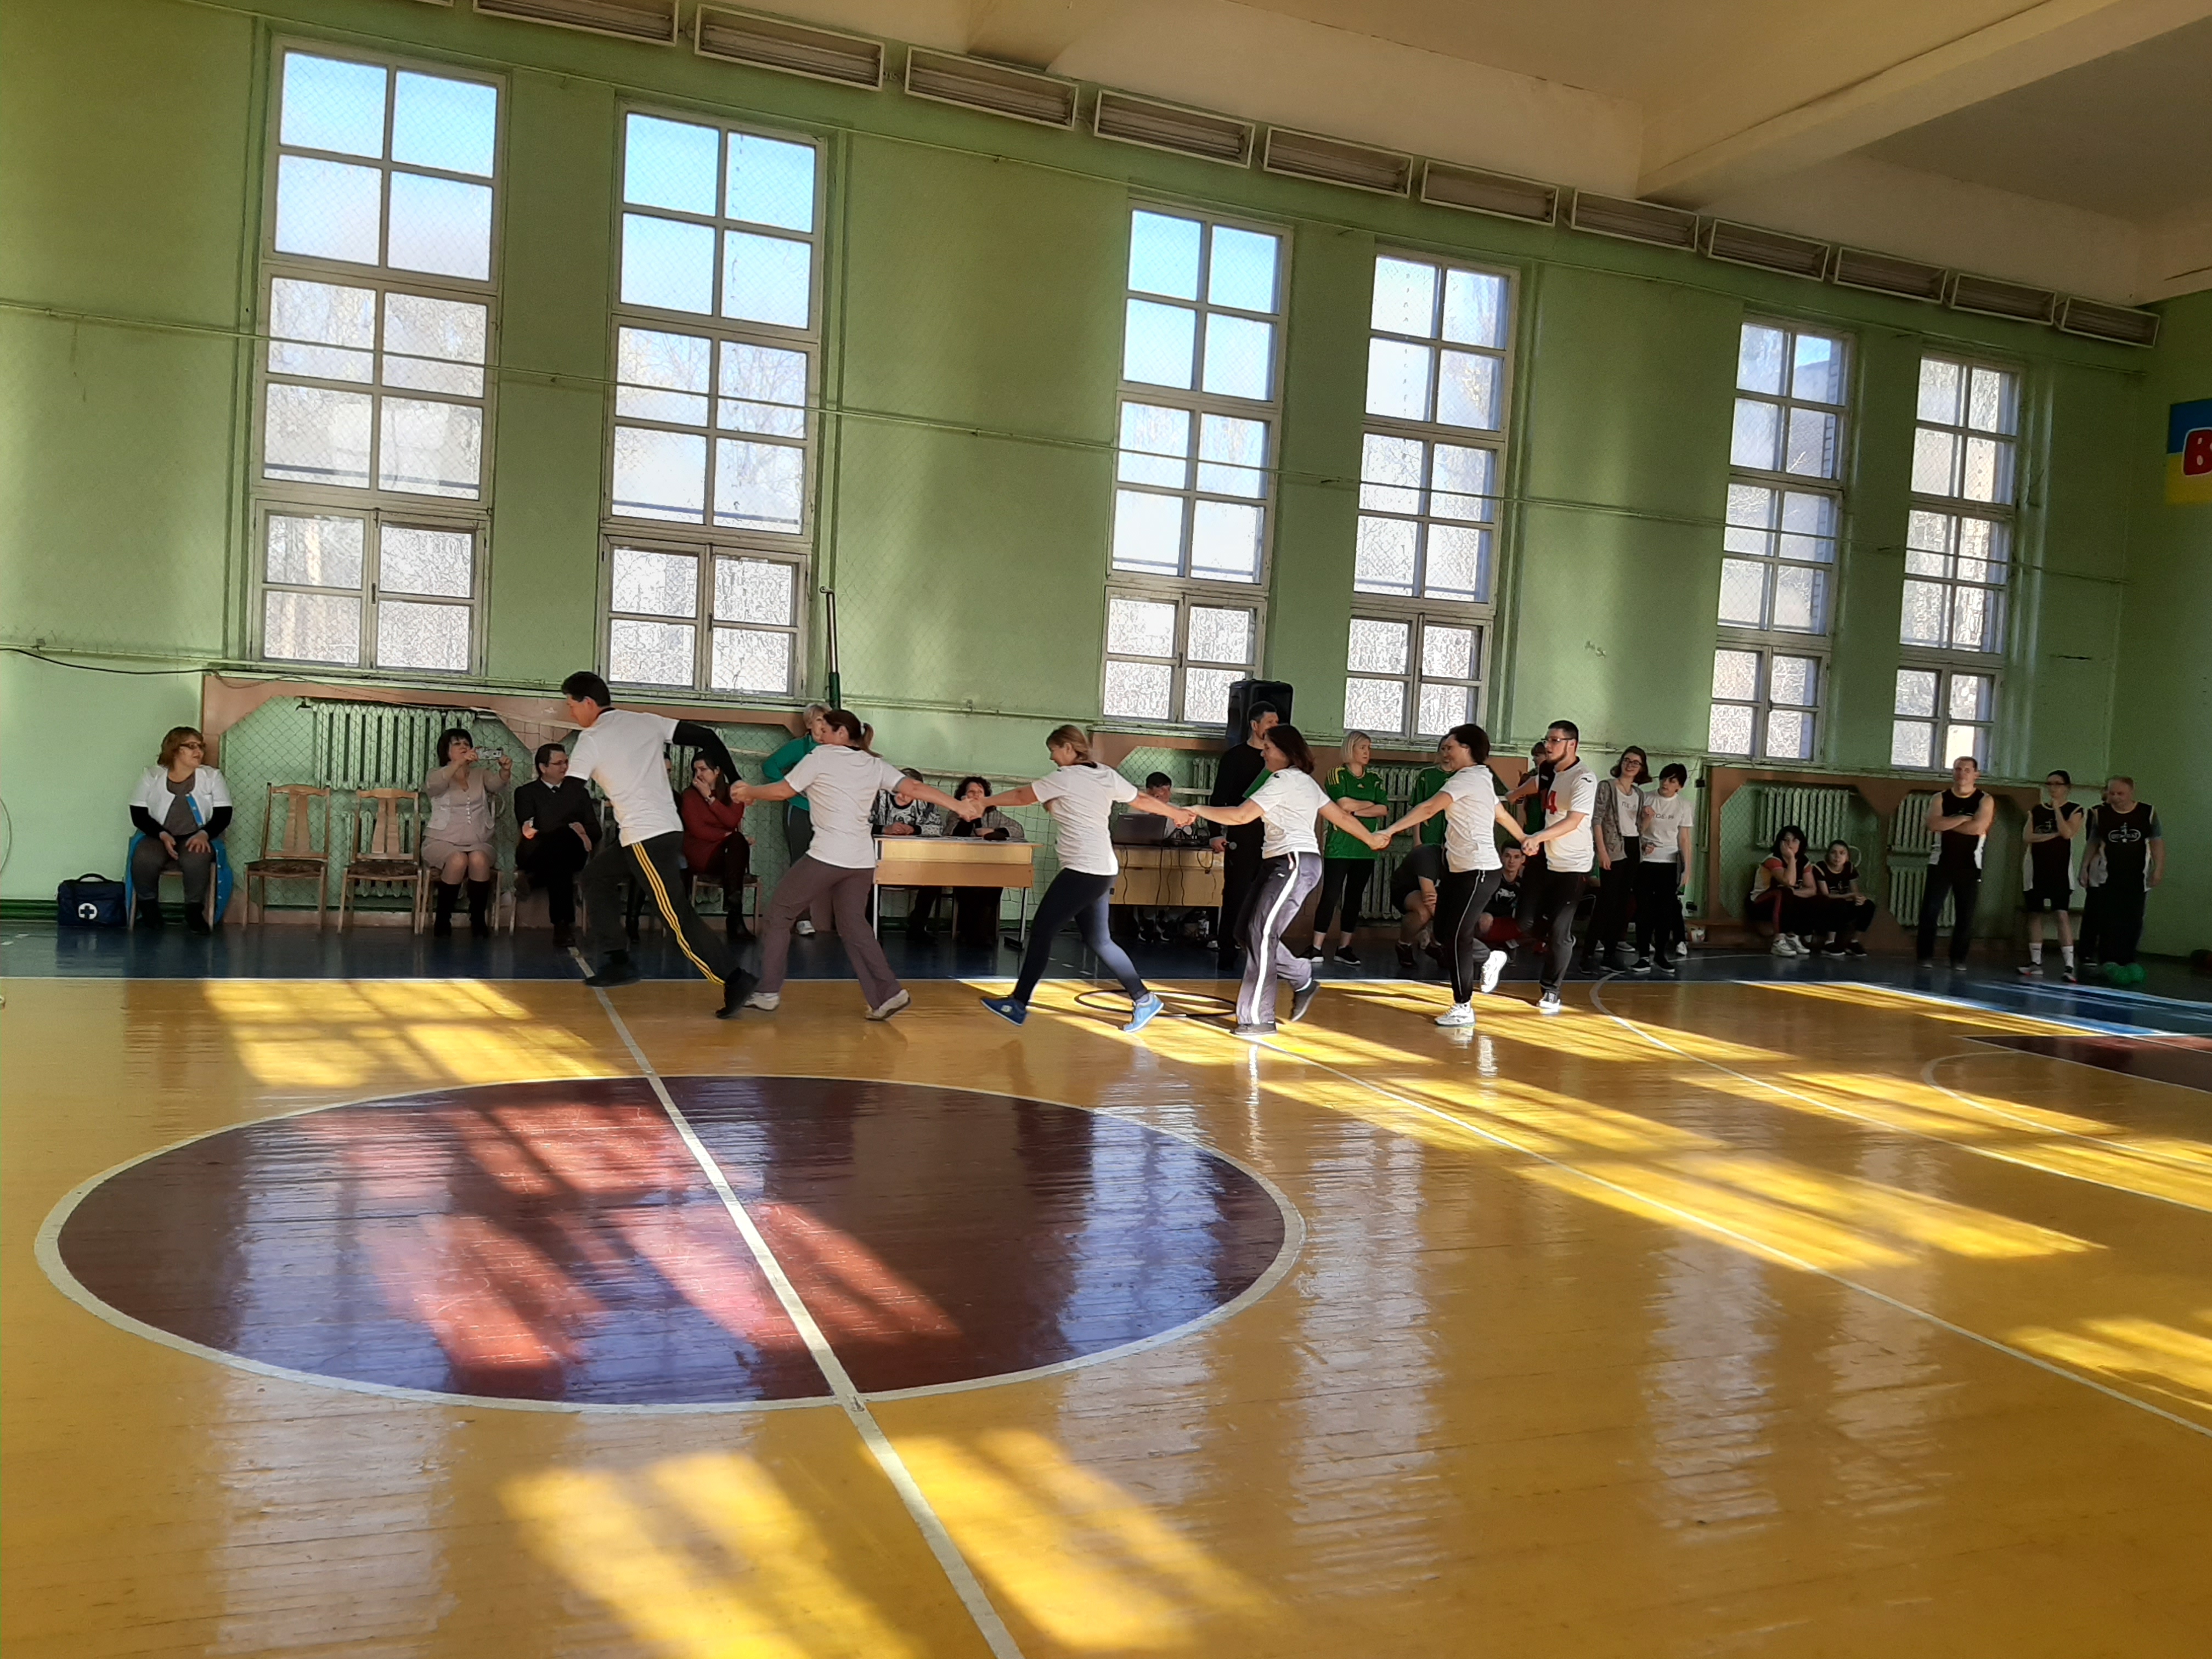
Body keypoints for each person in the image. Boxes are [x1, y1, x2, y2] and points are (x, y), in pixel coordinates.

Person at [731, 710, 970, 1020]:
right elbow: (912, 788)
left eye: (826, 729)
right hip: (861, 861)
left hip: (827, 855)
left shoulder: (821, 757)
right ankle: (888, 994)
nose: (820, 734)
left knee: (779, 914)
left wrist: (749, 791)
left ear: (842, 733)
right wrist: (958, 805)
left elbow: (782, 791)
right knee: (853, 925)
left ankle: (767, 992)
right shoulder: (873, 764)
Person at [560, 672, 757, 1018]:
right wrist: (736, 776)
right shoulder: (645, 721)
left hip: (645, 838)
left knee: (675, 915)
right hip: (659, 832)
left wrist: (542, 823)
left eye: (572, 705)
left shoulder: (591, 739)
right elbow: (707, 736)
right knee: (595, 877)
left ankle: (734, 978)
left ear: (589, 703)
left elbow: (570, 793)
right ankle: (618, 961)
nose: (571, 712)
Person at [978, 728, 1186, 1032]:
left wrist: (984, 802)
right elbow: (1142, 799)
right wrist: (1175, 812)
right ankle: (1144, 999)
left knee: (1042, 931)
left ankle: (1018, 1003)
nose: (1051, 757)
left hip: (1083, 870)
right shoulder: (1104, 774)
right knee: (1099, 940)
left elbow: (1023, 796)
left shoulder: (1066, 777)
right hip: (1102, 868)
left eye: (1053, 750)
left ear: (1068, 748)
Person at [1187, 724, 1386, 1037]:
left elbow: (1242, 816)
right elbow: (1341, 817)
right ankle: (1301, 977)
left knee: (1261, 934)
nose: (1263, 753)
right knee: (1245, 931)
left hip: (1295, 862)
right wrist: (1371, 839)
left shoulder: (1286, 780)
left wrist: (1197, 809)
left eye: (1268, 748)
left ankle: (1259, 1018)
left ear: (1285, 752)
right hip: (1280, 862)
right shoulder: (1301, 782)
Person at [1373, 724, 1527, 1028]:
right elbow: (1500, 814)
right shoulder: (1482, 777)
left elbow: (1430, 808)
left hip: (1479, 871)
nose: (1446, 753)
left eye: (1451, 747)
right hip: (1458, 870)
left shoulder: (1468, 778)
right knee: (1444, 932)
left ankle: (1463, 1006)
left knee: (1457, 936)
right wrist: (1524, 838)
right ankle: (1491, 958)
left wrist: (1390, 830)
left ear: (1467, 749)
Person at [1515, 721, 1598, 1015]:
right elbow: (1537, 784)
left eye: (1554, 741)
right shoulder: (1549, 769)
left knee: (1560, 933)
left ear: (1572, 744)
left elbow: (1574, 821)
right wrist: (1513, 795)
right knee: (1524, 921)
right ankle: (1554, 937)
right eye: (1547, 739)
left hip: (1572, 865)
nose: (1548, 746)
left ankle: (1551, 990)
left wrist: (1537, 837)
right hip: (1545, 859)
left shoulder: (1584, 778)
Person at [127, 726, 232, 933]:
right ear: (175, 750)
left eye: (201, 746)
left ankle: (194, 911)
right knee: (145, 857)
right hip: (158, 835)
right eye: (192, 746)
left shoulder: (212, 777)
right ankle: (148, 908)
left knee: (197, 857)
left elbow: (224, 814)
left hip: (196, 835)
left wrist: (204, 834)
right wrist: (162, 835)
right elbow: (138, 814)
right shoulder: (152, 775)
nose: (199, 751)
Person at [1310, 731, 1392, 963]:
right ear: (1351, 749)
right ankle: (1316, 947)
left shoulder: (1375, 778)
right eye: (1363, 747)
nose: (1367, 752)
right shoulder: (1337, 774)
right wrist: (1367, 805)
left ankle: (1344, 948)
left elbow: (1383, 809)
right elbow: (1342, 804)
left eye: (1369, 748)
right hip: (1340, 847)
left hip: (1366, 847)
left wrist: (1355, 811)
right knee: (1331, 895)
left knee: (1354, 897)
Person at [1209, 701, 1279, 972]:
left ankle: (1260, 952)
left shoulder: (1280, 760)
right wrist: (1215, 834)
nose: (1274, 727)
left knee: (1267, 897)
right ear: (1255, 725)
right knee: (1236, 894)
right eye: (1270, 722)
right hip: (1242, 834)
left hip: (1271, 837)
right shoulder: (1235, 757)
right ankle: (1227, 950)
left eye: (1277, 723)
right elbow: (1219, 798)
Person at [421, 727, 510, 938]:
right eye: (457, 744)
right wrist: (458, 764)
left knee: (479, 859)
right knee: (458, 859)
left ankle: (477, 919)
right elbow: (434, 786)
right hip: (441, 841)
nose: (463, 747)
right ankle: (443, 919)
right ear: (446, 751)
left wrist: (505, 771)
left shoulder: (481, 774)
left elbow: (497, 785)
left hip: (478, 840)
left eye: (466, 744)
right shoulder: (437, 773)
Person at [2080, 776, 2163, 984]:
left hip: (2137, 878)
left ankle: (2128, 960)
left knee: (2133, 920)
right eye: (2112, 793)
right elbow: (2093, 843)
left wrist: (2158, 868)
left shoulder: (2147, 813)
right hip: (2109, 877)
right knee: (2109, 920)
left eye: (2121, 794)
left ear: (2131, 793)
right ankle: (2109, 961)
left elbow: (2157, 843)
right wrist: (2085, 868)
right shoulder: (2100, 815)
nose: (2116, 798)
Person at [512, 742, 596, 947]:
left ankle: (536, 882)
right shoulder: (526, 793)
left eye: (566, 762)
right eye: (559, 763)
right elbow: (531, 828)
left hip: (572, 853)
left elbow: (596, 830)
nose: (565, 767)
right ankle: (563, 925)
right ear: (543, 767)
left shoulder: (578, 793)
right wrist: (573, 827)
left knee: (561, 848)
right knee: (560, 848)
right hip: (536, 853)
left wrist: (581, 831)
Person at [1917, 755, 1994, 968]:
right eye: (1958, 769)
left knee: (1965, 915)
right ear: (1953, 772)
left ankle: (1958, 958)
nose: (1962, 774)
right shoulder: (1940, 798)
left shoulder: (1984, 799)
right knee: (1930, 911)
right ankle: (1925, 956)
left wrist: (1948, 823)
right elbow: (1933, 824)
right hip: (1941, 862)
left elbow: (1978, 828)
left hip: (1970, 864)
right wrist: (1962, 819)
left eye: (1967, 770)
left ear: (1976, 775)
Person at [763, 704, 832, 940]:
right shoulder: (799, 748)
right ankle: (801, 918)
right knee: (800, 864)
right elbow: (770, 766)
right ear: (809, 724)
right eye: (820, 720)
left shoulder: (836, 750)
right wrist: (790, 789)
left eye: (828, 721)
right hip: (800, 811)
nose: (824, 726)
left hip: (827, 815)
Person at [679, 754, 753, 945]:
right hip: (701, 854)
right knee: (737, 841)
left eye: (703, 769)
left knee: (737, 842)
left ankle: (734, 912)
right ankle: (735, 918)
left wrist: (710, 798)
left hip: (726, 856)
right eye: (695, 770)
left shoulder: (732, 793)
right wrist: (726, 835)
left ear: (717, 771)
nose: (699, 774)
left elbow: (732, 821)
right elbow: (698, 830)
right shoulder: (689, 796)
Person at [946, 775, 1025, 948]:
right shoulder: (955, 814)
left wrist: (993, 831)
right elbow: (950, 834)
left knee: (993, 884)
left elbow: (1018, 829)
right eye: (971, 792)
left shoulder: (993, 814)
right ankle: (971, 933)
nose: (976, 795)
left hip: (988, 867)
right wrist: (969, 817)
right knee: (971, 887)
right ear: (963, 795)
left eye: (980, 792)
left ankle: (980, 933)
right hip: (962, 867)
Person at [1588, 746, 1649, 971]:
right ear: (1621, 762)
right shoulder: (1607, 787)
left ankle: (1610, 954)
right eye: (1627, 760)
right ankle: (1588, 954)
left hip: (1633, 847)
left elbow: (1639, 828)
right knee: (1607, 902)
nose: (1630, 765)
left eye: (1636, 762)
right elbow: (1597, 820)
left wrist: (1647, 822)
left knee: (1623, 904)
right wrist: (1602, 851)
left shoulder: (1639, 794)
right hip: (1613, 848)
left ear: (1641, 768)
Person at [2020, 769, 2084, 980]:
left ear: (2067, 787)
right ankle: (2035, 962)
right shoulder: (2036, 810)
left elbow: (2067, 833)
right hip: (2035, 869)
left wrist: (2057, 809)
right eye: (2049, 784)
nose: (2053, 788)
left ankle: (2069, 965)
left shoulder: (2075, 810)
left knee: (2061, 914)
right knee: (2034, 914)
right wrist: (2052, 835)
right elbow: (2028, 836)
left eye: (2057, 784)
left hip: (2059, 871)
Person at [1633, 764, 1694, 974]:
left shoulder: (1684, 806)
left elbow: (1684, 839)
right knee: (1644, 910)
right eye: (1664, 778)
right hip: (1646, 862)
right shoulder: (1646, 798)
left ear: (1680, 786)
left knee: (1665, 911)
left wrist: (1687, 869)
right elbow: (1635, 831)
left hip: (1669, 864)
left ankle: (1661, 955)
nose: (1666, 783)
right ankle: (1643, 955)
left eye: (1672, 781)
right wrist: (1644, 835)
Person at [873, 765, 946, 940]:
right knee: (865, 876)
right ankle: (872, 927)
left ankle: (917, 927)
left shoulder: (926, 802)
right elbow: (860, 824)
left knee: (935, 876)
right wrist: (885, 829)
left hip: (916, 858)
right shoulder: (878, 798)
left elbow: (938, 828)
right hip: (880, 858)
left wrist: (914, 829)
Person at [1752, 825, 1818, 955]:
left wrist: (1794, 894)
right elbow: (1789, 882)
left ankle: (1793, 937)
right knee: (1784, 892)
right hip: (1761, 902)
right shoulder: (1773, 859)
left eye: (1795, 840)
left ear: (1801, 843)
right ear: (1780, 842)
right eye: (1786, 840)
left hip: (1786, 901)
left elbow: (1812, 889)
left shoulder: (1804, 862)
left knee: (1811, 899)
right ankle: (1778, 941)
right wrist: (1792, 858)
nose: (1790, 844)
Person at [1807, 841, 1876, 955]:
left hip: (1843, 904)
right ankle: (1830, 942)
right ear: (1828, 855)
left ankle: (1854, 941)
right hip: (1824, 907)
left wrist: (1860, 899)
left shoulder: (1849, 868)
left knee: (1869, 906)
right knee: (1838, 903)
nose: (1837, 857)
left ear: (1847, 856)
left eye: (1842, 853)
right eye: (1833, 853)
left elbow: (1855, 891)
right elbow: (1826, 895)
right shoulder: (1821, 868)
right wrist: (1849, 896)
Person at [1391, 840, 1445, 974]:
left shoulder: (1464, 862)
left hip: (1437, 894)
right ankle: (1404, 944)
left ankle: (1436, 945)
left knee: (1453, 906)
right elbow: (1429, 898)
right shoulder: (1427, 856)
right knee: (1423, 912)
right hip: (1406, 890)